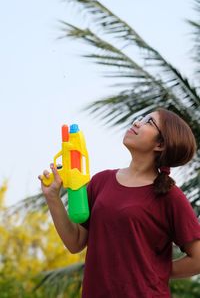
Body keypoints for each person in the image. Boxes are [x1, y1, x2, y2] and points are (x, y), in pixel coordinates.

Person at [38, 108, 200, 298]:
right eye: (140, 118)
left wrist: (158, 270)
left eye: (148, 122)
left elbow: (197, 259)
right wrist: (52, 197)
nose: (137, 122)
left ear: (161, 144)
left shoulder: (169, 196)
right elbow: (75, 242)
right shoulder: (101, 181)